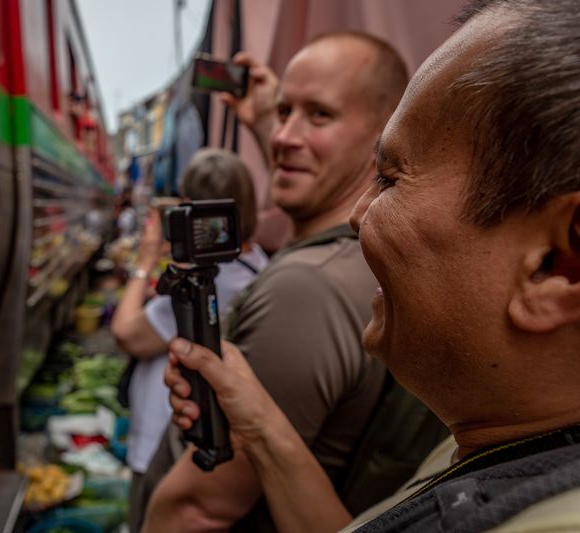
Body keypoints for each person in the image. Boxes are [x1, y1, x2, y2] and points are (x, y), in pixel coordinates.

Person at [163, 0, 580, 531]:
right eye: (284, 114)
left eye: (388, 177)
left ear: (557, 265)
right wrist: (264, 431)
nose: (359, 216)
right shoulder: (510, 443)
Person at [141, 32, 436, 532]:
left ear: (388, 134)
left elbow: (201, 507)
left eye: (319, 114)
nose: (283, 137)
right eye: (283, 114)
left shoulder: (305, 290)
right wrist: (265, 116)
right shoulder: (369, 254)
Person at [111, 148, 269, 532]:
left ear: (190, 209)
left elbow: (127, 333)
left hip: (166, 444)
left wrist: (145, 262)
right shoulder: (256, 263)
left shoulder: (216, 279)